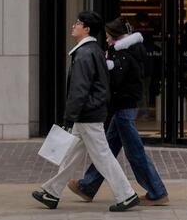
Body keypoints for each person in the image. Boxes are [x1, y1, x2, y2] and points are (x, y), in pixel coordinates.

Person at [31, 11, 139, 212]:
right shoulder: (92, 50)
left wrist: (69, 116)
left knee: (102, 156)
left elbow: (79, 89)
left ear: (87, 29)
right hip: (89, 112)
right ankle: (52, 192)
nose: (74, 25)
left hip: (87, 113)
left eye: (78, 23)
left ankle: (126, 194)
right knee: (72, 155)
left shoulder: (84, 53)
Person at [70, 17, 170, 205]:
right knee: (107, 149)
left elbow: (115, 80)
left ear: (116, 36)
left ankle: (157, 191)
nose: (106, 40)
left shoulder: (123, 53)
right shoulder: (125, 51)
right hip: (121, 108)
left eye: (108, 37)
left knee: (134, 152)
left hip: (123, 108)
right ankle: (88, 186)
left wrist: (103, 70)